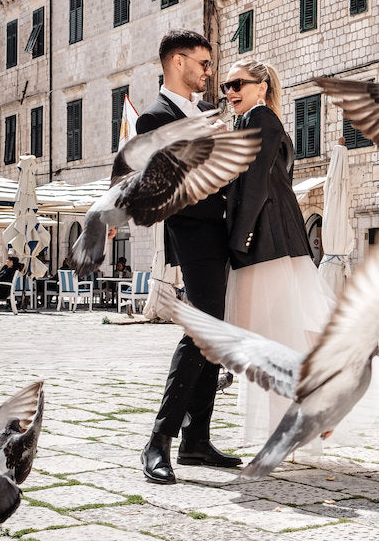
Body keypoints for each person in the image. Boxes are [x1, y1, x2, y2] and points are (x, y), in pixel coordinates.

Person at [140, 28, 240, 483]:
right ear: (178, 62)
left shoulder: (206, 113)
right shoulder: (154, 119)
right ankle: (159, 440)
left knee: (214, 334)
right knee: (201, 329)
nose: (209, 72)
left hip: (221, 232)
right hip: (192, 231)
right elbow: (169, 188)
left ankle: (196, 439)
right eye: (203, 63)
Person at [219, 58, 334, 449]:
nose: (230, 92)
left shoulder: (262, 120)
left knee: (270, 337)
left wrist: (239, 238)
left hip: (265, 242)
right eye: (226, 87)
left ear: (261, 86)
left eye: (238, 84)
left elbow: (254, 188)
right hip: (274, 240)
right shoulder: (254, 122)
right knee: (276, 336)